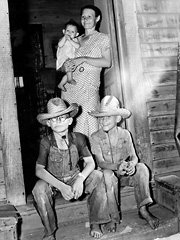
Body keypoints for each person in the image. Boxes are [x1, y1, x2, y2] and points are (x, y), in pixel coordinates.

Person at [32, 97, 111, 240]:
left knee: (98, 176)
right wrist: (61, 186)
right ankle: (49, 232)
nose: (59, 121)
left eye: (62, 118)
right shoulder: (46, 142)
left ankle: (96, 222)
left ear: (70, 121)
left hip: (75, 178)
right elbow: (39, 170)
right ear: (49, 123)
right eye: (54, 119)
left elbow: (91, 163)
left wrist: (80, 179)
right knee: (38, 189)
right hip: (54, 183)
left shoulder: (79, 138)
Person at [89, 95, 159, 238]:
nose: (104, 121)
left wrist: (132, 165)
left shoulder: (125, 134)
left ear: (118, 118)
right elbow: (101, 162)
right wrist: (117, 165)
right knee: (107, 174)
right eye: (102, 117)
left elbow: (134, 156)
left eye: (108, 117)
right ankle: (112, 218)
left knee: (142, 168)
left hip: (123, 175)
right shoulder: (95, 137)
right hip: (107, 177)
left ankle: (143, 209)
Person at [61, 5, 112, 138]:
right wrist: (65, 66)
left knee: (89, 125)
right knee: (71, 127)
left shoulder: (103, 38)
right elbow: (61, 64)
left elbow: (107, 62)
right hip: (70, 89)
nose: (85, 19)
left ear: (97, 18)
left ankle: (92, 158)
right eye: (83, 17)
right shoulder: (75, 39)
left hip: (88, 88)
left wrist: (83, 59)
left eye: (89, 16)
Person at [56, 19, 80, 91]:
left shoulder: (75, 40)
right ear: (64, 31)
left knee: (69, 73)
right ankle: (70, 79)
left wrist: (70, 40)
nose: (69, 33)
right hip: (64, 61)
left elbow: (78, 46)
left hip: (70, 63)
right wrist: (65, 38)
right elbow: (60, 45)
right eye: (68, 31)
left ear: (76, 34)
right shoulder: (62, 39)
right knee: (69, 67)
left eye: (72, 32)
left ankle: (61, 84)